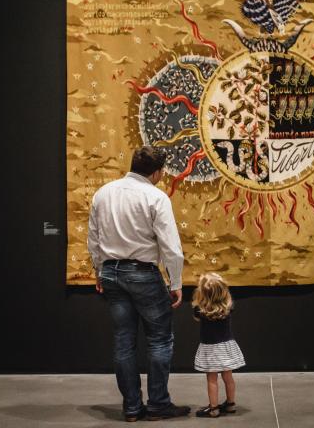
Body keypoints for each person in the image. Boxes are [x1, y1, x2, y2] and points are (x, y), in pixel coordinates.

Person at [87, 146, 190, 422]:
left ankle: (132, 407)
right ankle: (158, 404)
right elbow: (171, 247)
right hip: (142, 273)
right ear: (157, 172)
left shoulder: (103, 193)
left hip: (110, 273)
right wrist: (175, 282)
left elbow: (93, 238)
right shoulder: (155, 196)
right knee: (158, 339)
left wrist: (98, 271)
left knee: (124, 342)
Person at [192, 273, 246, 418]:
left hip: (210, 349)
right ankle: (230, 404)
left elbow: (197, 318)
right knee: (228, 377)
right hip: (226, 347)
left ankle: (214, 408)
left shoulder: (200, 310)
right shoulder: (228, 308)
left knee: (212, 379)